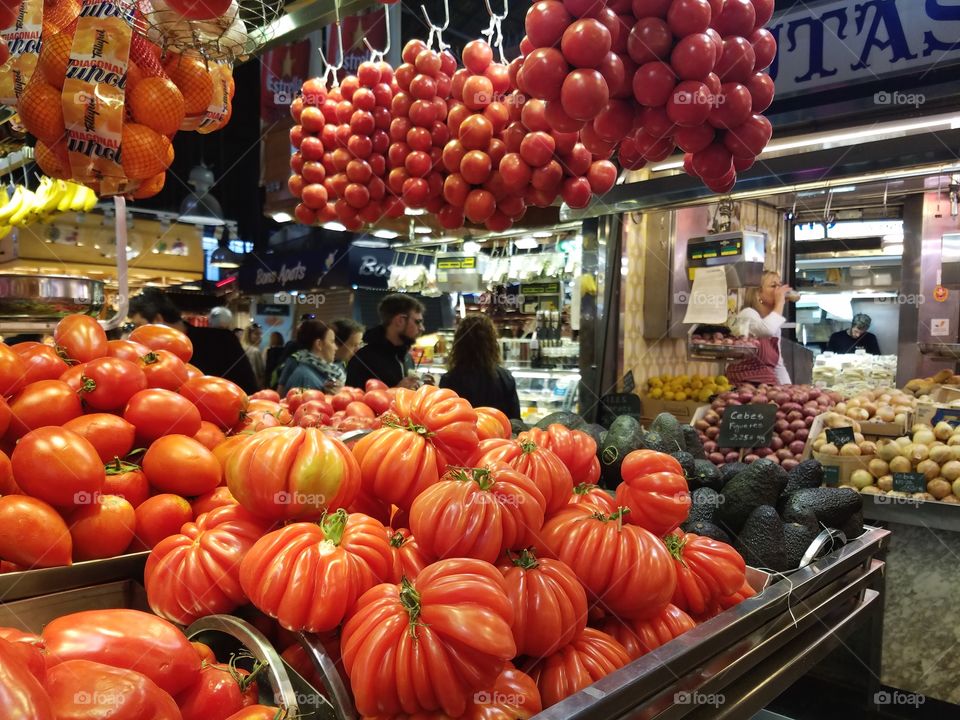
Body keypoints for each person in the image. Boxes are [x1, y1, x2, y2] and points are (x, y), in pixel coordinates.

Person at [128, 290, 258, 393]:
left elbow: (248, 387)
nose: (135, 332)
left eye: (139, 325)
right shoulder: (148, 357)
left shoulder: (222, 340)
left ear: (157, 320)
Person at [439, 315, 521, 418]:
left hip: (463, 433)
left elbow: (444, 418)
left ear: (459, 343)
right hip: (498, 432)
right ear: (492, 343)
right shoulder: (505, 378)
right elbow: (515, 420)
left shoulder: (449, 380)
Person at [725, 270, 794, 385]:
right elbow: (766, 330)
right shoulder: (747, 314)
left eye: (780, 285)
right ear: (758, 293)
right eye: (773, 286)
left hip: (768, 388)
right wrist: (780, 303)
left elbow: (778, 366)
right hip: (744, 388)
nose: (779, 290)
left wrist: (789, 390)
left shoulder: (774, 324)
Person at [346, 294, 424, 389]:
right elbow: (353, 401)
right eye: (417, 322)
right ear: (400, 321)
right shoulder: (363, 359)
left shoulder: (407, 357)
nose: (422, 328)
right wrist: (395, 391)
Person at [277, 319, 345, 394]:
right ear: (319, 344)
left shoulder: (321, 372)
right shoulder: (304, 377)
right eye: (332, 342)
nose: (336, 347)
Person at [242, 323, 266, 388]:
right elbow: (259, 374)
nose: (260, 336)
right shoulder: (255, 351)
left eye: (260, 334)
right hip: (253, 387)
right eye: (256, 334)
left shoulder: (242, 347)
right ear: (248, 335)